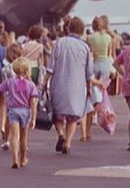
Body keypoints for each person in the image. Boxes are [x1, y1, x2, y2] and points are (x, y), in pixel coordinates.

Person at [42, 16, 93, 155]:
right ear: (82, 30)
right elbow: (89, 72)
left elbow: (51, 67)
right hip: (77, 86)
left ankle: (60, 135)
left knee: (57, 114)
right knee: (73, 117)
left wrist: (44, 82)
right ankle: (68, 143)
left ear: (68, 28)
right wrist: (89, 88)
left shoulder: (60, 43)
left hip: (59, 83)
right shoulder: (85, 47)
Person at [0, 57, 39, 169]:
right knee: (24, 137)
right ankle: (23, 158)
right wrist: (34, 118)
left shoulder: (10, 82)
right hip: (25, 111)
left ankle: (15, 159)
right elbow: (33, 102)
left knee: (14, 136)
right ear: (27, 70)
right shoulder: (31, 85)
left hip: (13, 110)